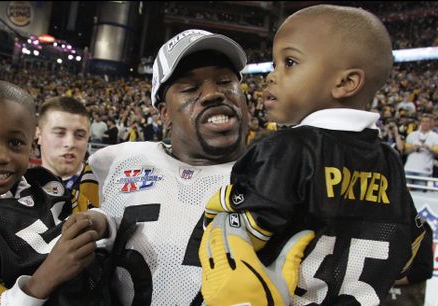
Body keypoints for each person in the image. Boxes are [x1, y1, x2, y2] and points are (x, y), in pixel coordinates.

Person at [200, 4, 426, 305]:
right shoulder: (390, 161)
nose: (271, 76)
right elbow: (411, 256)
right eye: (274, 63)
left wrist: (220, 212)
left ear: (345, 83)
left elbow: (237, 245)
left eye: (289, 62)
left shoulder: (287, 148)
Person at [89, 29, 258, 305]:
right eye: (191, 88)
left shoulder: (279, 178)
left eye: (225, 81)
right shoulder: (115, 163)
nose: (213, 94)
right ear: (164, 113)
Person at [0, 80, 109, 305]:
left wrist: (98, 220)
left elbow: (94, 220)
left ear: (31, 145)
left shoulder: (44, 183)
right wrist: (43, 280)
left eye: (15, 142)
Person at [36, 96, 98, 211]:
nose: (70, 143)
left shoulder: (106, 188)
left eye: (79, 135)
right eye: (60, 133)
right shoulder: (15, 189)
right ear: (38, 135)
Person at [404, 113, 438, 186]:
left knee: (419, 194)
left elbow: (437, 154)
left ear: (431, 123)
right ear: (420, 122)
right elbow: (404, 152)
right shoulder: (412, 135)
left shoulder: (435, 136)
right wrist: (413, 148)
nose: (425, 123)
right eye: (423, 121)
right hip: (409, 168)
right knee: (405, 194)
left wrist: (429, 148)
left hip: (424, 171)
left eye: (427, 122)